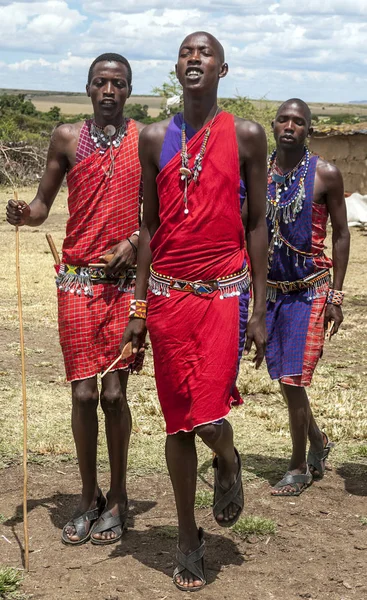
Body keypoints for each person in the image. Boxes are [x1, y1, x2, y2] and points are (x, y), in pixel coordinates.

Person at [122, 32, 268, 591]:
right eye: (186, 52)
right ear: (176, 67)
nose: (194, 59)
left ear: (222, 70)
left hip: (224, 294)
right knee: (177, 422)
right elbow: (150, 227)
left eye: (205, 53)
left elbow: (256, 224)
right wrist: (138, 308)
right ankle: (188, 538)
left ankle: (227, 459)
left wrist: (259, 305)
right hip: (166, 298)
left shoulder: (247, 136)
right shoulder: (155, 137)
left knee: (207, 415)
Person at [6, 53, 145, 545]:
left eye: (119, 83)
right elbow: (45, 204)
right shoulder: (66, 137)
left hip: (125, 285)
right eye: (101, 82)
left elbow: (161, 209)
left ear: (129, 91)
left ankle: (122, 497)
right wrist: (25, 213)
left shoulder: (143, 139)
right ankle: (89, 497)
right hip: (78, 283)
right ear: (87, 88)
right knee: (84, 395)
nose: (110, 90)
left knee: (114, 395)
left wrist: (133, 242)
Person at [265, 98, 350, 496]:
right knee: (285, 378)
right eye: (283, 119)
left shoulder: (326, 175)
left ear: (308, 131)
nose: (289, 126)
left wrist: (337, 293)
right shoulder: (258, 174)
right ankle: (317, 441)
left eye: (298, 122)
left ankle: (298, 466)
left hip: (311, 289)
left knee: (294, 378)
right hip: (273, 291)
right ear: (273, 125)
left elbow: (342, 234)